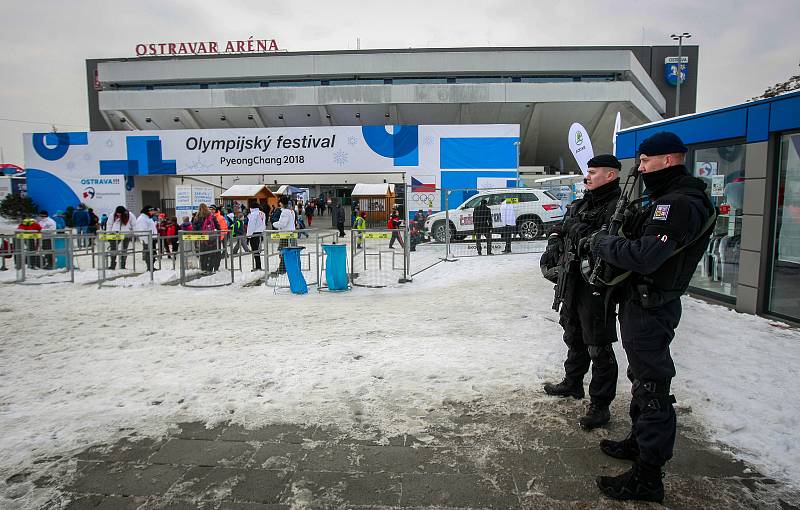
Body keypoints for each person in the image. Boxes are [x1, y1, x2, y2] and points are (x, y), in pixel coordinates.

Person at [589, 133, 716, 503]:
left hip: (651, 306)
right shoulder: (667, 199)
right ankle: (637, 442)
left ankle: (647, 476)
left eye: (645, 162)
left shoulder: (678, 204)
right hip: (642, 302)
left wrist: (603, 243)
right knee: (641, 378)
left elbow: (645, 256)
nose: (640, 169)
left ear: (667, 160)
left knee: (652, 387)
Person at [540, 154, 623, 431]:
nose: (587, 177)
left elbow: (607, 240)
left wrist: (577, 230)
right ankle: (573, 383)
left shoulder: (617, 207)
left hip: (596, 283)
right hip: (572, 280)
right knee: (572, 333)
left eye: (593, 172)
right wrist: (553, 244)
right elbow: (560, 227)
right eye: (587, 172)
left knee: (597, 344)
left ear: (610, 175)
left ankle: (600, 405)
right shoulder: (581, 203)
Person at [192, 203, 220, 273]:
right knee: (212, 254)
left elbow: (194, 229)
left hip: (202, 239)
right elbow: (218, 227)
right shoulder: (212, 216)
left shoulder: (196, 217)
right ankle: (210, 269)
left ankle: (203, 269)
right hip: (211, 238)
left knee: (203, 254)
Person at [272, 195, 296, 274]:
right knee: (288, 251)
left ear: (281, 203)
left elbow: (282, 223)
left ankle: (282, 269)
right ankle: (287, 267)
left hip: (285, 235)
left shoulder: (285, 212)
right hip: (291, 234)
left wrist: (274, 224)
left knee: (283, 251)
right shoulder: (291, 211)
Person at [107, 205, 135, 270]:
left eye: (120, 213)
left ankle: (123, 265)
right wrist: (108, 234)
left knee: (124, 250)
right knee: (113, 249)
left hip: (126, 234)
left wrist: (133, 233)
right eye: (117, 213)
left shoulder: (129, 215)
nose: (118, 214)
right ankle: (112, 264)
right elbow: (109, 225)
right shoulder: (113, 215)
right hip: (114, 234)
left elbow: (134, 224)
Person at [134, 206, 158, 271]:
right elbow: (142, 231)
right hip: (147, 239)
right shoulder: (142, 219)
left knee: (152, 253)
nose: (153, 212)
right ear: (147, 211)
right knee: (148, 253)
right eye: (151, 211)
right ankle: (149, 267)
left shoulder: (148, 218)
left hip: (151, 238)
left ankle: (151, 266)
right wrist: (145, 241)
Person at [246, 200, 266, 271]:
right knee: (258, 250)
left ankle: (258, 266)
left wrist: (248, 237)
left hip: (254, 234)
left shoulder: (253, 214)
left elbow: (251, 226)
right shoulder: (262, 213)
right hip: (261, 233)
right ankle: (258, 266)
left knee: (255, 251)